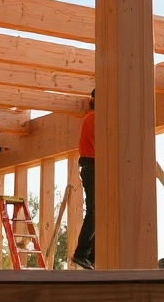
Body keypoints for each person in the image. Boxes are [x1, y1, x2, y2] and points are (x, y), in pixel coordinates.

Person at [71, 89, 95, 270]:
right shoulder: (93, 118)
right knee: (95, 212)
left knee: (102, 214)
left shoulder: (94, 118)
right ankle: (81, 254)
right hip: (93, 168)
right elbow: (100, 143)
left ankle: (92, 257)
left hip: (96, 167)